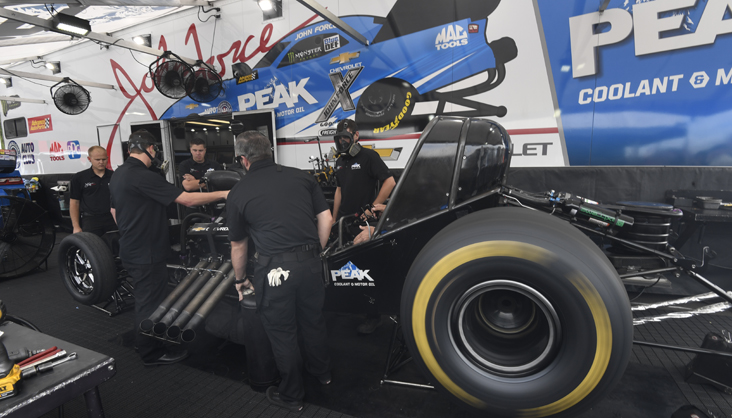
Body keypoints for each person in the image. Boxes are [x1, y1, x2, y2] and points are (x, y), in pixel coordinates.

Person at [228, 131, 332, 412]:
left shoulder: (238, 191)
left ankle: (292, 395)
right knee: (313, 321)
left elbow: (238, 245)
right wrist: (314, 253)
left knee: (283, 332)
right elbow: (326, 218)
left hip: (275, 271)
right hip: (311, 265)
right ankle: (322, 374)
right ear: (270, 151)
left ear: (243, 159)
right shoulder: (302, 177)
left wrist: (240, 279)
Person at [109, 130, 229, 367]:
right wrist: (225, 194)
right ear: (150, 149)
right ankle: (150, 352)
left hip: (131, 246)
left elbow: (113, 211)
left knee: (146, 297)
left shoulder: (119, 174)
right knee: (150, 302)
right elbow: (187, 199)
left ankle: (143, 341)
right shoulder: (144, 176)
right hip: (146, 251)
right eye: (154, 149)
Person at [332, 119, 396, 334]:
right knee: (346, 268)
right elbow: (339, 190)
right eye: (339, 138)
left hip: (364, 224)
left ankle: (373, 316)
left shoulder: (369, 156)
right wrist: (333, 219)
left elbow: (390, 182)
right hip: (344, 223)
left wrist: (372, 208)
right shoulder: (340, 161)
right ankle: (349, 306)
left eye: (346, 137)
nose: (342, 142)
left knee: (367, 271)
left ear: (356, 136)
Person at [69, 146, 117, 236]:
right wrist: (76, 226)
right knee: (92, 244)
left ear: (107, 158)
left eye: (104, 159)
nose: (101, 162)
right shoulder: (79, 178)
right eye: (97, 159)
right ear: (89, 159)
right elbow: (74, 202)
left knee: (115, 243)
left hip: (112, 219)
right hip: (90, 220)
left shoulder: (115, 176)